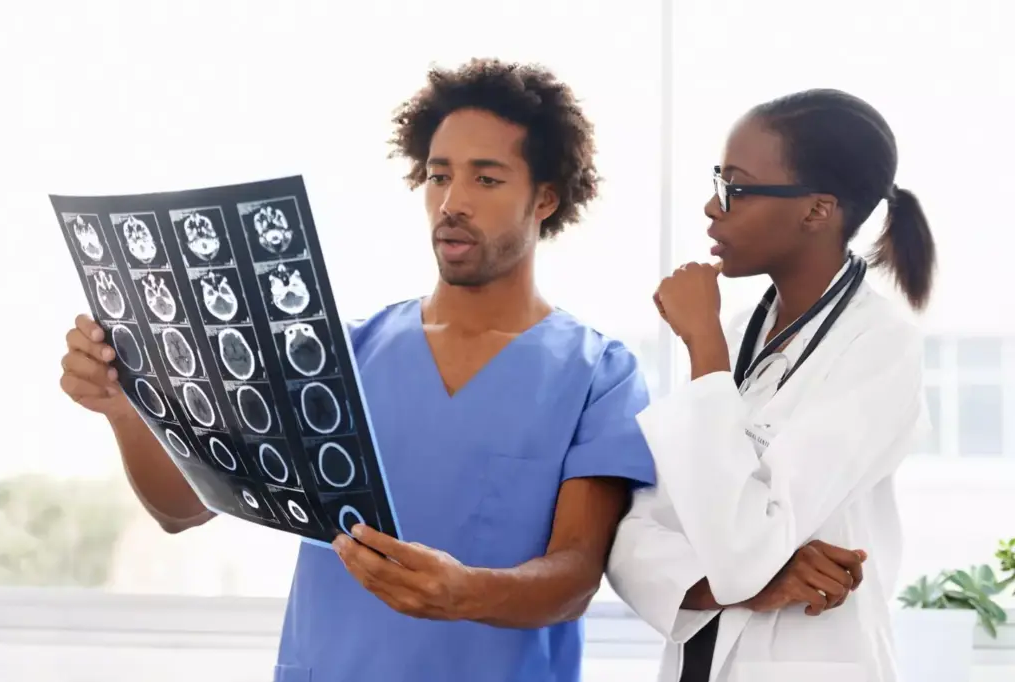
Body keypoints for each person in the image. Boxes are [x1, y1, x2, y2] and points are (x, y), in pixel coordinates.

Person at [58, 58, 657, 682]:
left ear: (546, 198)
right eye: (438, 175)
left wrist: (466, 593)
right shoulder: (333, 356)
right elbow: (182, 509)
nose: (452, 203)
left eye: (486, 179)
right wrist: (124, 410)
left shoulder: (598, 376)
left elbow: (574, 577)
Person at [606, 88, 936, 682]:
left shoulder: (879, 347)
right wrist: (745, 584)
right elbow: (634, 536)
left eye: (735, 187)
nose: (712, 206)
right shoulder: (739, 336)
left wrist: (703, 346)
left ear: (816, 211)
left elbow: (741, 547)